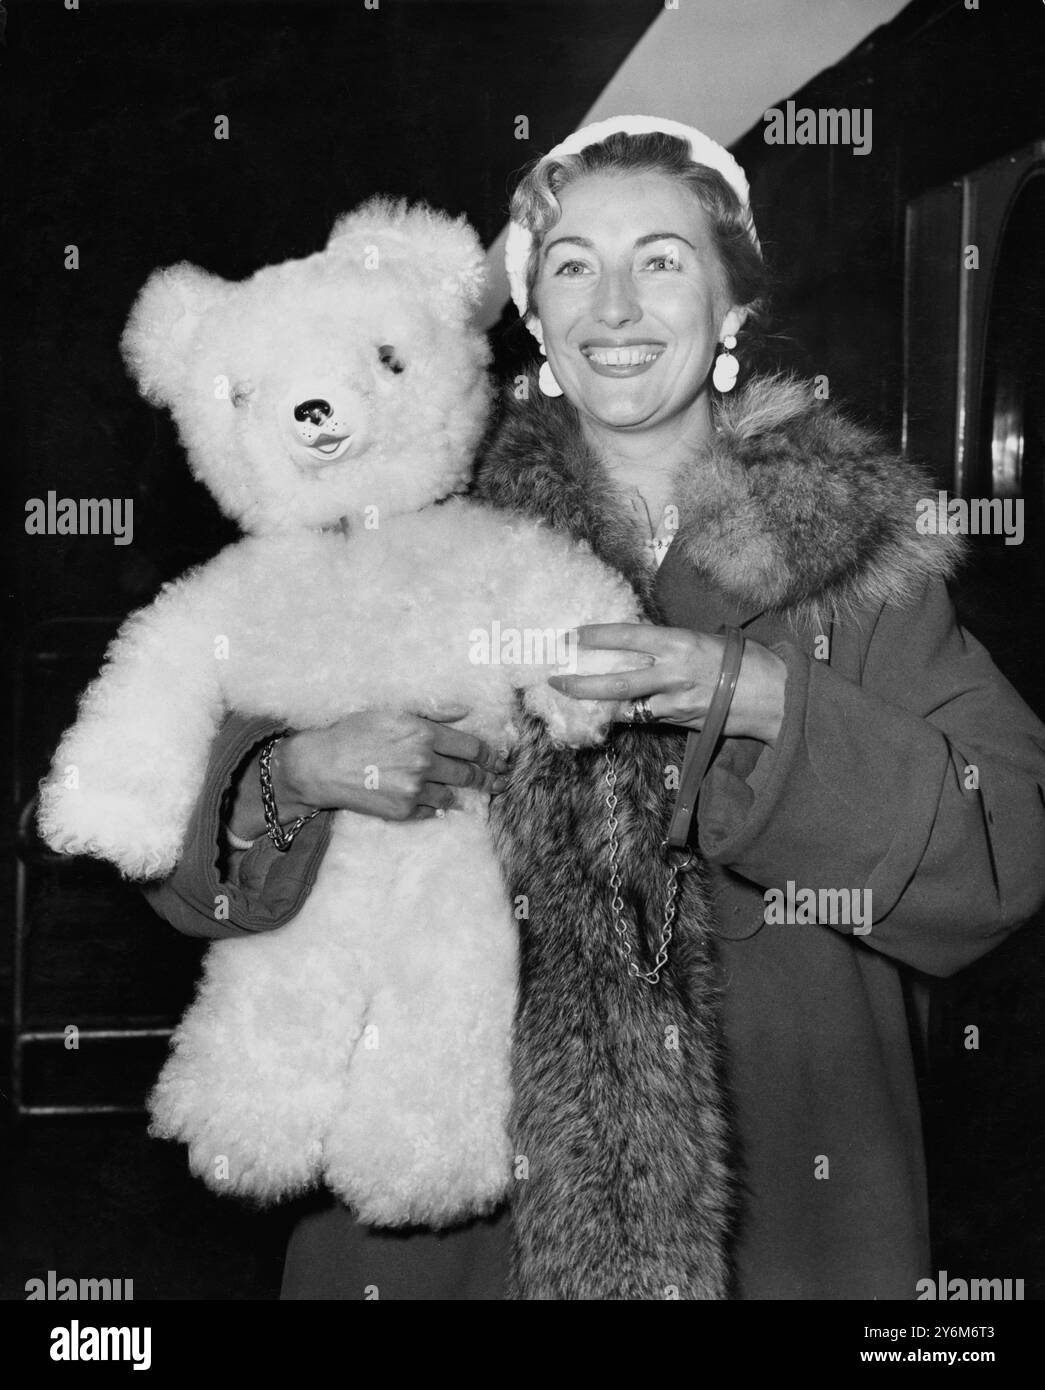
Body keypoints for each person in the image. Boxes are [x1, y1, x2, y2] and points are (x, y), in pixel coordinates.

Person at [143, 114, 1045, 1300]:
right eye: (572, 265)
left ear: (729, 311)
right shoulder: (402, 522)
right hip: (457, 1209)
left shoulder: (857, 561)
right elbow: (176, 844)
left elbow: (1001, 851)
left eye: (661, 261)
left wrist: (767, 702)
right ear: (536, 315)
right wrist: (294, 772)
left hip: (784, 1200)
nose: (613, 306)